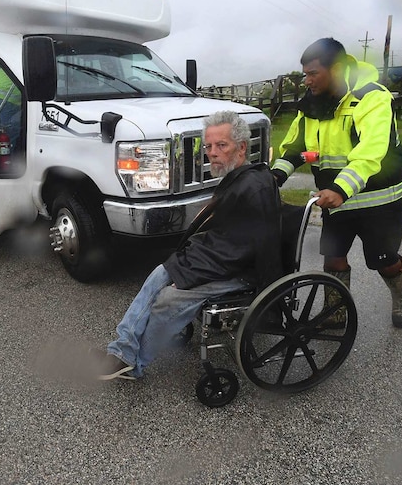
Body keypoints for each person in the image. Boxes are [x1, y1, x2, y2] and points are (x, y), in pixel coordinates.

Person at [97, 110, 283, 380]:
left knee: (167, 300)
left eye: (221, 145)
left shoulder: (254, 188)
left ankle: (135, 365)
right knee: (160, 272)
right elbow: (226, 239)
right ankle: (122, 351)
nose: (213, 152)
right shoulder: (237, 180)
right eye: (208, 146)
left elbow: (250, 252)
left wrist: (189, 274)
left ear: (242, 147)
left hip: (242, 273)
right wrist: (184, 264)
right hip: (221, 261)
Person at [270, 37, 402, 329]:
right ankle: (335, 311)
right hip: (336, 203)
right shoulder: (312, 104)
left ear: (335, 69)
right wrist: (275, 176)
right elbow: (296, 147)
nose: (307, 81)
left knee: (382, 261)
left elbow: (372, 151)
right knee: (333, 257)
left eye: (313, 73)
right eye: (305, 74)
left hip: (380, 202)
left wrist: (340, 188)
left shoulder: (372, 98)